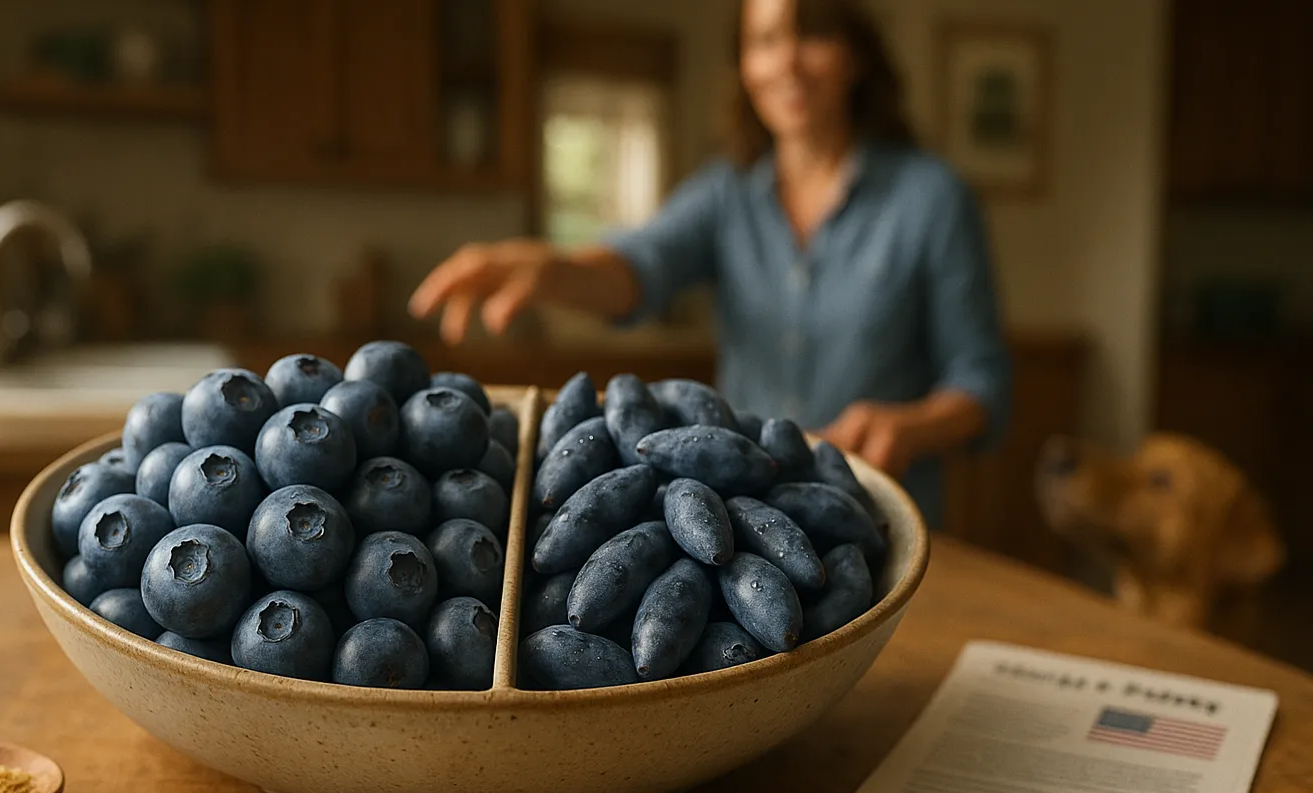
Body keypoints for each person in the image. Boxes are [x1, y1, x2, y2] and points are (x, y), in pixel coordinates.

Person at [409, 0, 1010, 526]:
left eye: (813, 35)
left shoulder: (933, 198)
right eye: (766, 40)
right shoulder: (725, 194)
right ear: (745, 66)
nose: (789, 63)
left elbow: (982, 384)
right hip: (748, 526)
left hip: (886, 524)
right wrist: (555, 269)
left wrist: (910, 426)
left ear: (855, 56)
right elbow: (638, 267)